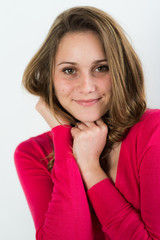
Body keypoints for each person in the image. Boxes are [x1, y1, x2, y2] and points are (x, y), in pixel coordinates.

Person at [14, 6, 160, 240]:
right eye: (70, 70)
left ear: (121, 72)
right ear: (49, 76)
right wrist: (63, 137)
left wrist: (90, 168)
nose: (87, 86)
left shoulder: (154, 132)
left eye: (101, 68)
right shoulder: (33, 154)